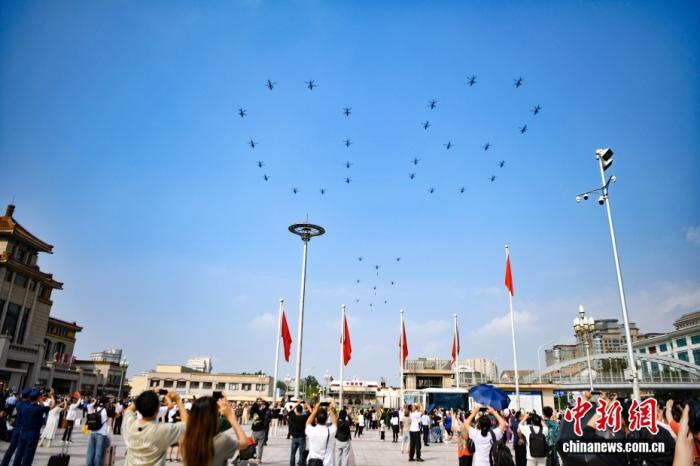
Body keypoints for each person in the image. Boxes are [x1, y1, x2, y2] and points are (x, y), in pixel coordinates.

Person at [123, 390, 188, 465]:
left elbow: (129, 409)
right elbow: (187, 425)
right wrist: (179, 401)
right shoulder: (162, 430)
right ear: (158, 409)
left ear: (139, 407)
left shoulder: (129, 424)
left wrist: (149, 393)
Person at [180, 396, 248, 466]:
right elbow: (244, 443)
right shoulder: (221, 440)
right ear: (214, 415)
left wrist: (178, 401)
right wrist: (231, 417)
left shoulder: (185, 438)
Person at [8, 389, 52, 466]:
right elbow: (49, 407)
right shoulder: (39, 408)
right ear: (38, 398)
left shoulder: (22, 406)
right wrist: (41, 401)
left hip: (22, 433)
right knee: (28, 456)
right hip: (33, 435)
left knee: (19, 454)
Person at [305, 402, 337, 466]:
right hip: (327, 463)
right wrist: (331, 410)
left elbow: (308, 423)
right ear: (326, 419)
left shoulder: (311, 430)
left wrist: (315, 410)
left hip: (312, 463)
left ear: (316, 419)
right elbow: (335, 422)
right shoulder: (330, 431)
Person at [86, 397, 111, 466]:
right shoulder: (106, 410)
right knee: (98, 454)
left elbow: (88, 406)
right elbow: (115, 415)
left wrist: (94, 402)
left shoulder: (94, 409)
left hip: (92, 433)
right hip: (101, 434)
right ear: (106, 403)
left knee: (90, 453)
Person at [288, 400, 308, 466]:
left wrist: (297, 404)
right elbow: (311, 412)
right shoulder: (304, 417)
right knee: (301, 454)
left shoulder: (293, 416)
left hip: (294, 437)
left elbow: (291, 410)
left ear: (296, 410)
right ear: (302, 410)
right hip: (301, 437)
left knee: (292, 454)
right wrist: (307, 404)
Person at [250, 398, 269, 462]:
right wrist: (263, 401)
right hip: (261, 431)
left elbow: (253, 407)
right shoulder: (262, 412)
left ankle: (252, 457)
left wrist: (256, 402)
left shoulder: (252, 413)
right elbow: (267, 405)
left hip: (254, 431)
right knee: (260, 446)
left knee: (253, 446)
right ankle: (259, 459)